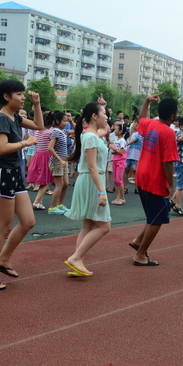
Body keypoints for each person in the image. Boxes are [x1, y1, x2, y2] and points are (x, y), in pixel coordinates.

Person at [0, 80, 43, 290]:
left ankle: (3, 259)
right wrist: (25, 143)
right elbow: (2, 148)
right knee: (3, 227)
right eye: (18, 93)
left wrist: (36, 105)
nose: (23, 97)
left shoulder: (16, 117)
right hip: (3, 174)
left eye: (23, 93)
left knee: (28, 221)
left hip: (14, 174)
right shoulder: (1, 118)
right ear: (6, 96)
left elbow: (39, 126)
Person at [128, 93, 179, 265]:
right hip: (155, 179)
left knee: (153, 214)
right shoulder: (169, 132)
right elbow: (168, 162)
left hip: (142, 174)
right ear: (172, 116)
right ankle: (140, 255)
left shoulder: (150, 124)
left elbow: (140, 119)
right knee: (158, 218)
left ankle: (138, 242)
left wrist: (146, 101)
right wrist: (170, 185)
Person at [64, 98, 111, 277]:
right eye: (104, 114)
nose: (107, 117)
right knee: (104, 226)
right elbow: (92, 167)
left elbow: (105, 128)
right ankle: (76, 258)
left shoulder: (89, 134)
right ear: (94, 116)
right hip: (92, 181)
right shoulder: (91, 137)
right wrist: (101, 191)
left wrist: (103, 107)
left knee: (88, 225)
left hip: (89, 180)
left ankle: (78, 261)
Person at [47, 111, 70, 214]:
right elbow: (50, 148)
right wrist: (60, 159)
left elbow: (76, 130)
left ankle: (60, 204)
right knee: (59, 185)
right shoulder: (56, 132)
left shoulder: (63, 131)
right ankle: (52, 207)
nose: (66, 123)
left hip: (63, 161)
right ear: (57, 121)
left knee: (66, 184)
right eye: (64, 121)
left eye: (67, 121)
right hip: (57, 162)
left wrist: (72, 121)